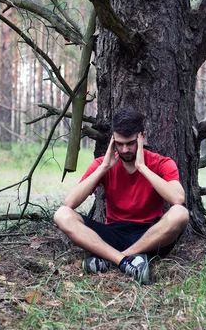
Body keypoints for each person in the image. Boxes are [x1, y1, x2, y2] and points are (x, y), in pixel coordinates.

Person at [53, 110, 189, 284]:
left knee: (180, 213)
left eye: (131, 143)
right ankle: (128, 262)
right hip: (113, 234)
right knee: (62, 214)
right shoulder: (103, 164)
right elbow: (70, 202)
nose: (125, 149)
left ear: (142, 137)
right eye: (120, 143)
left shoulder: (162, 163)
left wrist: (142, 167)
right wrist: (103, 168)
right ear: (113, 140)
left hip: (150, 236)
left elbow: (177, 199)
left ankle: (114, 259)